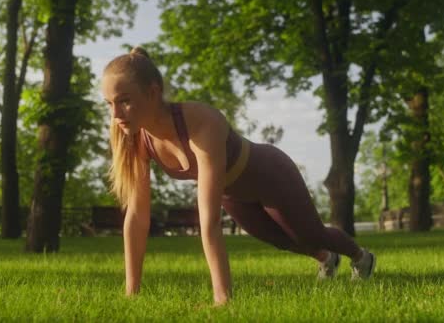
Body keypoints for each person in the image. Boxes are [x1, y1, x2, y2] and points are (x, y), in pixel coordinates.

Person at [102, 47, 376, 306]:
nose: (115, 114)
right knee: (280, 240)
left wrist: (222, 300)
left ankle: (361, 257)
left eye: (124, 102)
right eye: (109, 104)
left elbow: (208, 222)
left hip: (270, 174)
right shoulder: (135, 139)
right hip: (233, 194)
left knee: (310, 233)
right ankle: (327, 259)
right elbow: (137, 218)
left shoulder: (200, 121)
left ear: (152, 93)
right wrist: (132, 293)